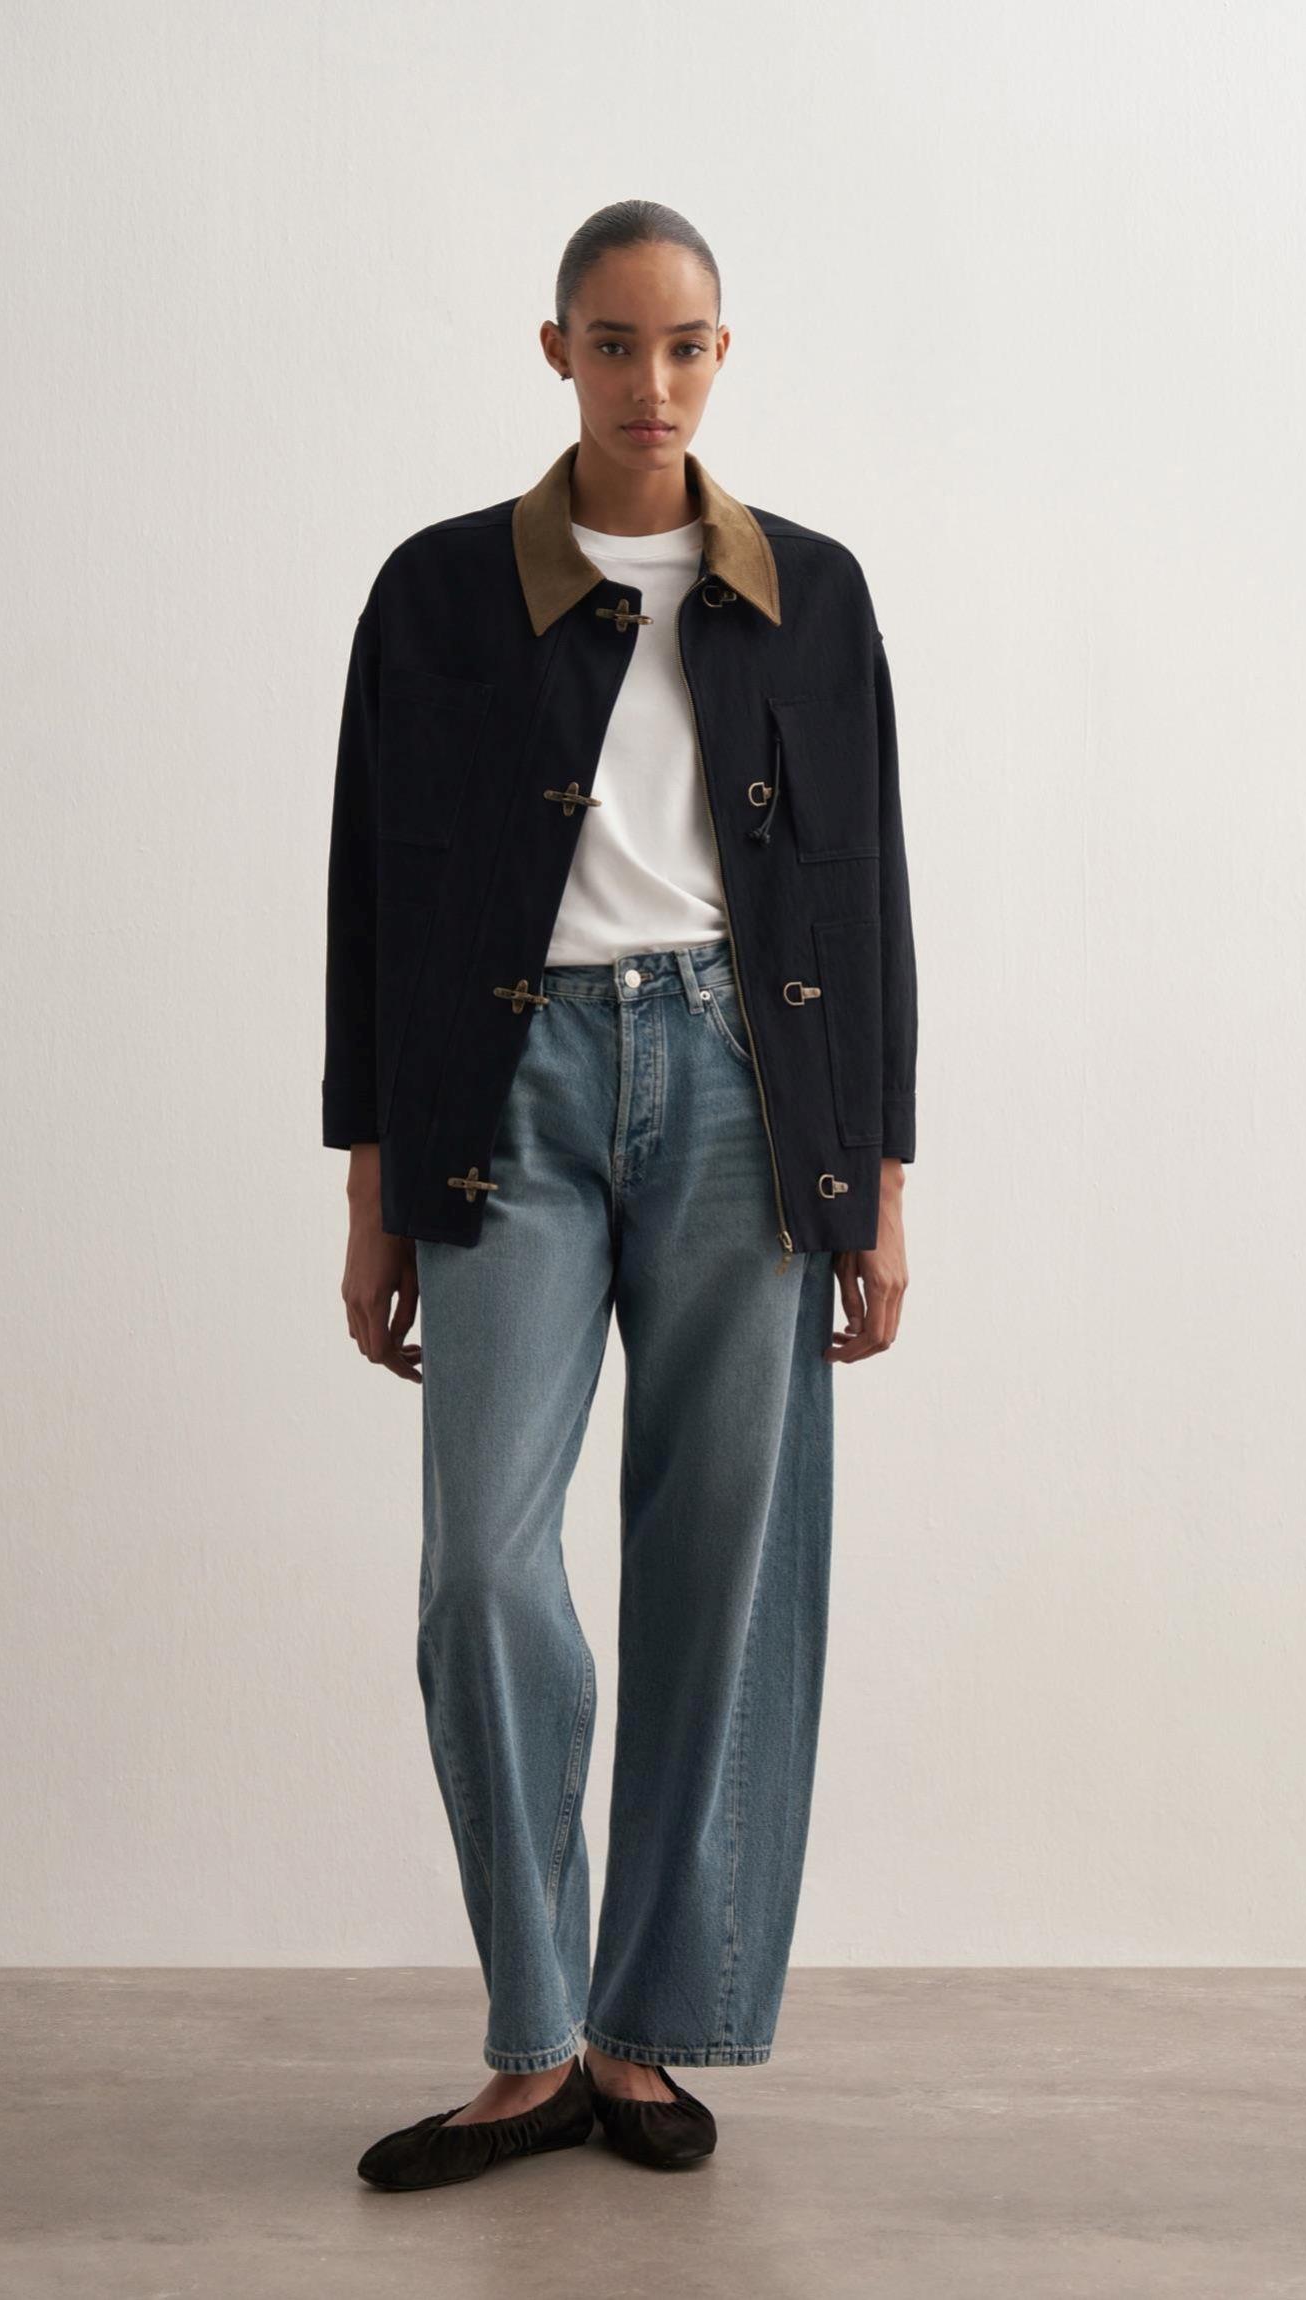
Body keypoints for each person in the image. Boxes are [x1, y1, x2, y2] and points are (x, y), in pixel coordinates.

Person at [329, 199, 919, 2190]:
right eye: (611, 343)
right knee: (485, 1572)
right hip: (506, 1097)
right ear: (557, 350)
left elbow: (866, 897)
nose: (648, 383)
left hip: (751, 1098)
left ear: (721, 356)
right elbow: (372, 897)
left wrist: (879, 1182)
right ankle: (530, 2038)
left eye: (683, 347)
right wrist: (371, 1185)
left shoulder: (811, 592)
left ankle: (638, 2034)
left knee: (720, 1564)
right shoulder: (438, 592)